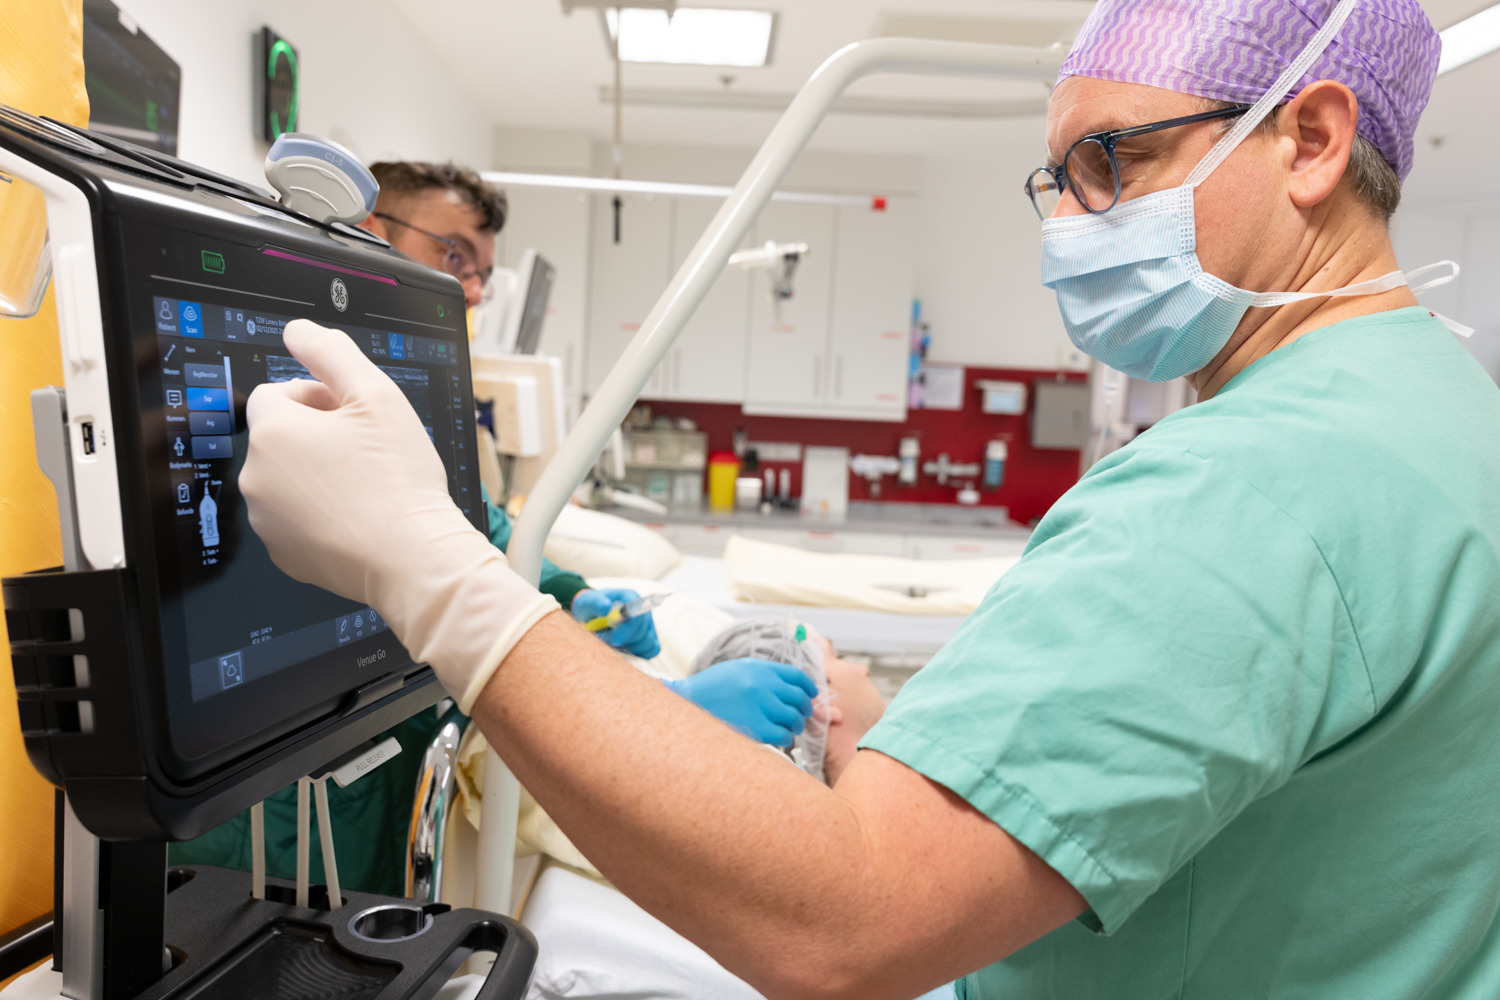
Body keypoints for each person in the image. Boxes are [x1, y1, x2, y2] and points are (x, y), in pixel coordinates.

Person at [240, 1, 1500, 996]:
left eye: (1111, 160)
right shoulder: (1440, 412)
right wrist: (914, 733)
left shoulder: (1250, 481)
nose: (1068, 220)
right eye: (1055, 178)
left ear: (1314, 140)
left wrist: (434, 577)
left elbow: (848, 923)